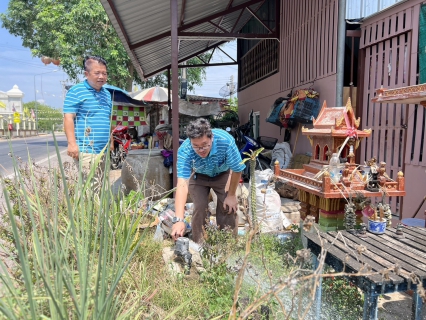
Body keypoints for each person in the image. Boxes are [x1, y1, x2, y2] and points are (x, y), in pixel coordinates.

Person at [171, 118, 245, 243]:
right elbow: (182, 183)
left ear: (211, 137)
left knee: (227, 206)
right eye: (196, 146)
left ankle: (228, 245)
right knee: (200, 207)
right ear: (190, 142)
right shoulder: (185, 150)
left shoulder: (225, 141)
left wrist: (231, 195)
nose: (201, 150)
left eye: (205, 145)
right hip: (198, 176)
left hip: (223, 173)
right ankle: (200, 246)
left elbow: (237, 169)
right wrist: (178, 220)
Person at [63, 56, 112, 172]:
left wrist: (111, 141)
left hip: (104, 150)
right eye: (97, 73)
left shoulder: (107, 94)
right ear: (87, 74)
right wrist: (72, 144)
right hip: (86, 150)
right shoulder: (76, 91)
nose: (101, 77)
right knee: (91, 187)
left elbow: (108, 119)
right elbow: (68, 117)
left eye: (104, 73)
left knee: (102, 187)